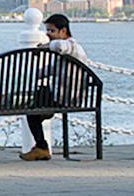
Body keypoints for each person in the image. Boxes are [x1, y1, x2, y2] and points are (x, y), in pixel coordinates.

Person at [20, 13, 91, 161]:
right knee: (35, 104)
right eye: (47, 30)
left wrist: (44, 47)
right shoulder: (67, 52)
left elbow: (59, 45)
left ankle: (41, 148)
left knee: (31, 112)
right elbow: (52, 69)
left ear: (63, 31)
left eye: (52, 30)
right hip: (63, 97)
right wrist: (35, 75)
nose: (48, 34)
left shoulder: (72, 46)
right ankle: (41, 147)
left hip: (69, 98)